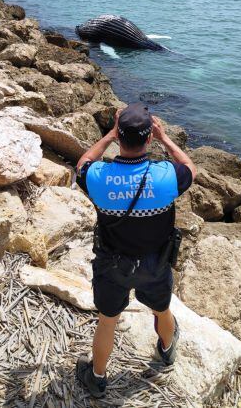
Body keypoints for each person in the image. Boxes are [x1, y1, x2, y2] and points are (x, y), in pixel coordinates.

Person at [75, 103, 196, 398]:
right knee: (162, 308)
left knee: (108, 320)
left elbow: (82, 164)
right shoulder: (166, 175)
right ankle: (167, 350)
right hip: (155, 262)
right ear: (149, 138)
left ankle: (98, 378)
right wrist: (166, 139)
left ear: (120, 137)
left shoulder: (99, 176)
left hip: (112, 264)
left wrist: (107, 136)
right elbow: (190, 168)